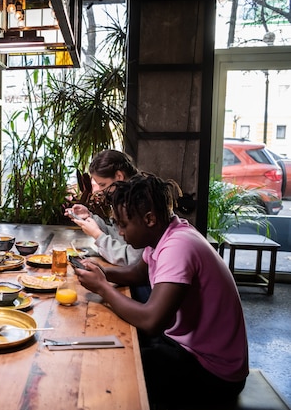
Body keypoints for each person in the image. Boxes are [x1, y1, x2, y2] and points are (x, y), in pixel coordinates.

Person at [73, 174, 248, 407]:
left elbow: (152, 320)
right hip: (187, 348)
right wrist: (100, 272)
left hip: (214, 371)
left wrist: (102, 287)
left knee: (118, 368)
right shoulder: (167, 233)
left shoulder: (178, 246)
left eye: (124, 225)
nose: (121, 233)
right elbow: (137, 273)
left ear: (149, 219)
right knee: (120, 348)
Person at [66, 149, 143, 266]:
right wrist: (90, 217)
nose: (101, 190)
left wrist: (98, 235)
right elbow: (118, 237)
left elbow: (131, 260)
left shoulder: (141, 203)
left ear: (119, 176)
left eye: (103, 184)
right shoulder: (124, 198)